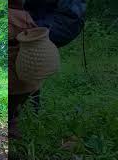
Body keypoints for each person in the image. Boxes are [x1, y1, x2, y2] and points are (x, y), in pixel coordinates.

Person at [9, 0, 86, 138]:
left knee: (30, 67)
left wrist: (35, 32)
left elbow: (71, 18)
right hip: (28, 22)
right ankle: (16, 115)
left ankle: (16, 115)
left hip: (44, 27)